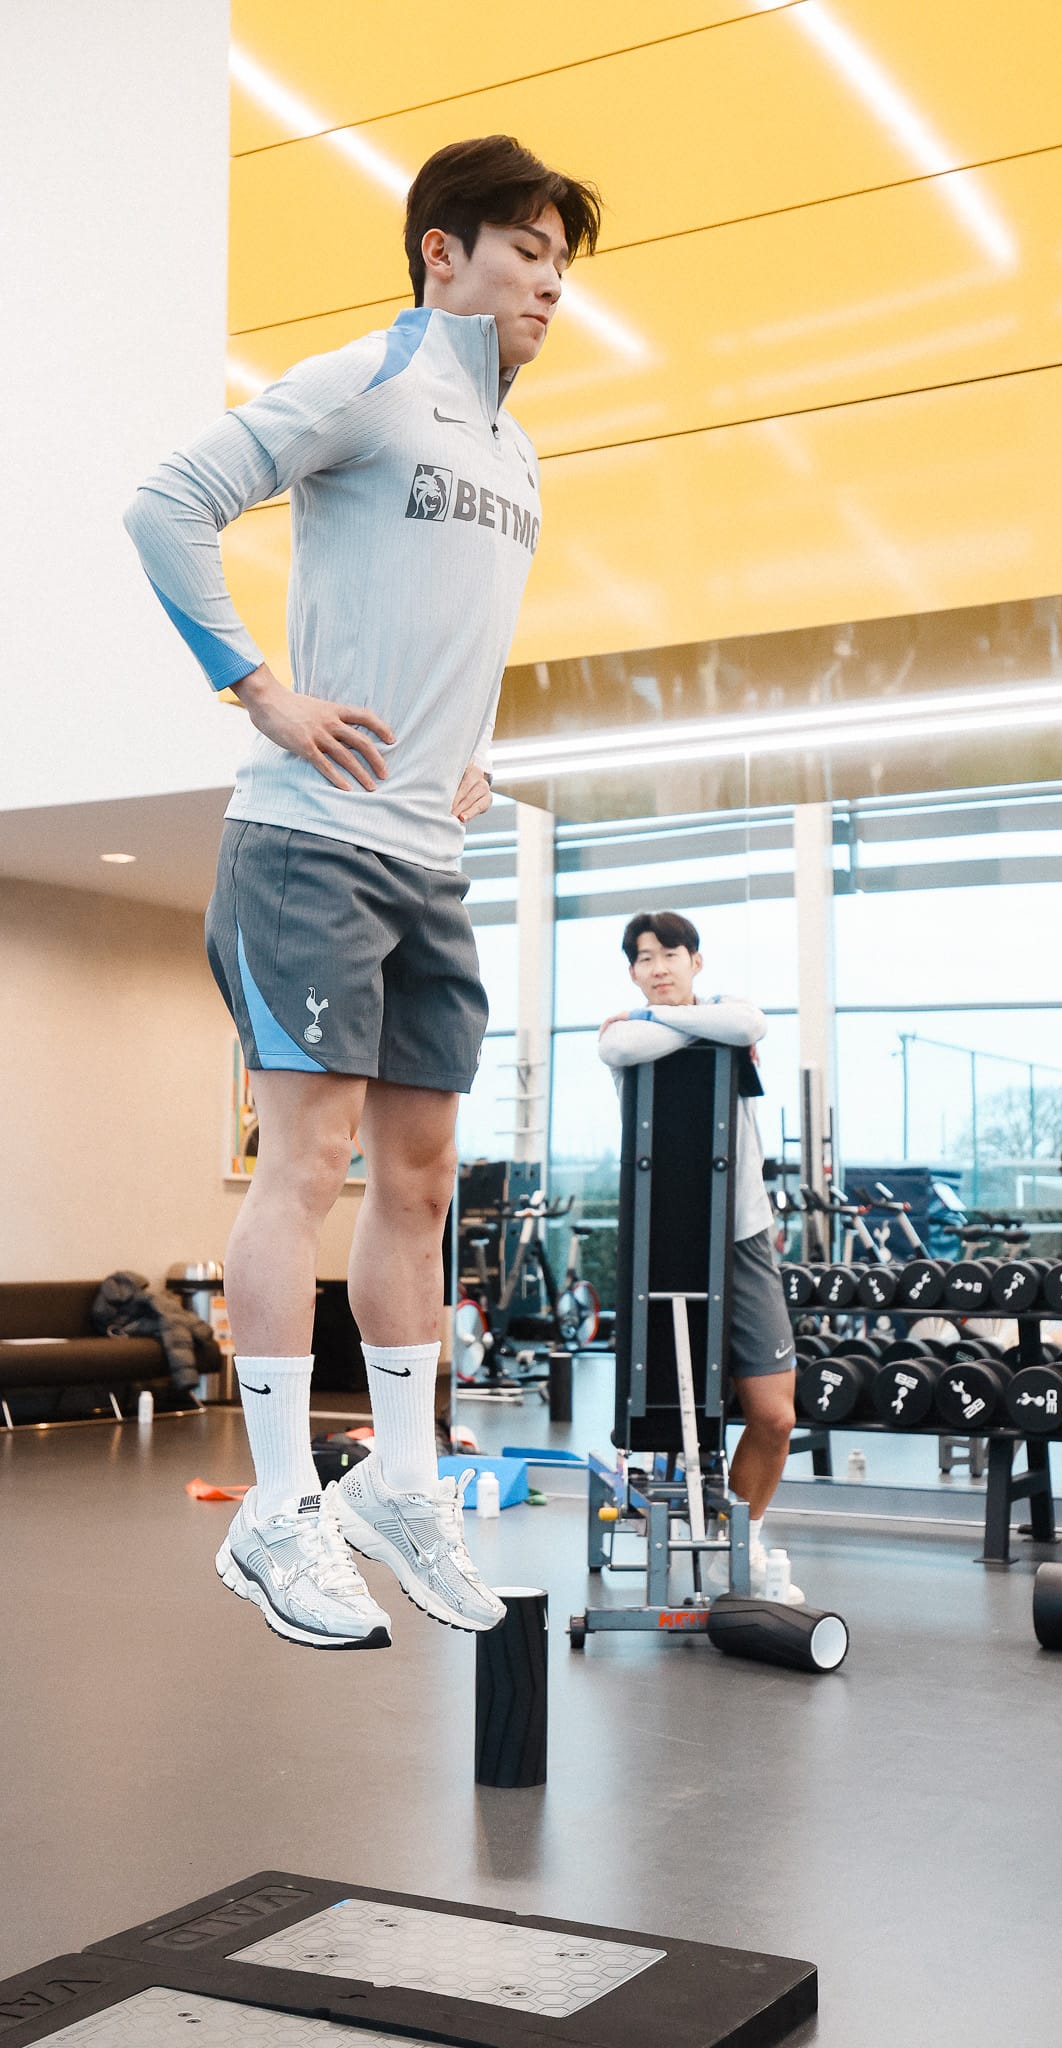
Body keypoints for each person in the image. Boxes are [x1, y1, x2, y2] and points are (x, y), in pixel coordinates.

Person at [124, 136, 601, 1650]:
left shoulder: (516, 454)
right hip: (310, 840)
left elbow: (442, 629)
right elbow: (167, 504)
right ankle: (274, 1511)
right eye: (524, 249)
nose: (546, 282)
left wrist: (470, 754)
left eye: (561, 262)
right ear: (439, 254)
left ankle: (401, 1483)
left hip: (425, 855)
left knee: (420, 1177)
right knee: (311, 1159)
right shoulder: (370, 378)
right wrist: (259, 691)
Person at [598, 911, 803, 1600]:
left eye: (670, 955)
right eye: (645, 959)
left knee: (775, 1416)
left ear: (696, 960)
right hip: (665, 1244)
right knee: (676, 1419)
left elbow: (749, 1026)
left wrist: (676, 1022)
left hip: (742, 1235)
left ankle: (732, 1544)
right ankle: (720, 1545)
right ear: (633, 971)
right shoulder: (630, 1029)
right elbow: (617, 1046)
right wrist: (677, 1024)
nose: (658, 968)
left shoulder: (716, 1017)